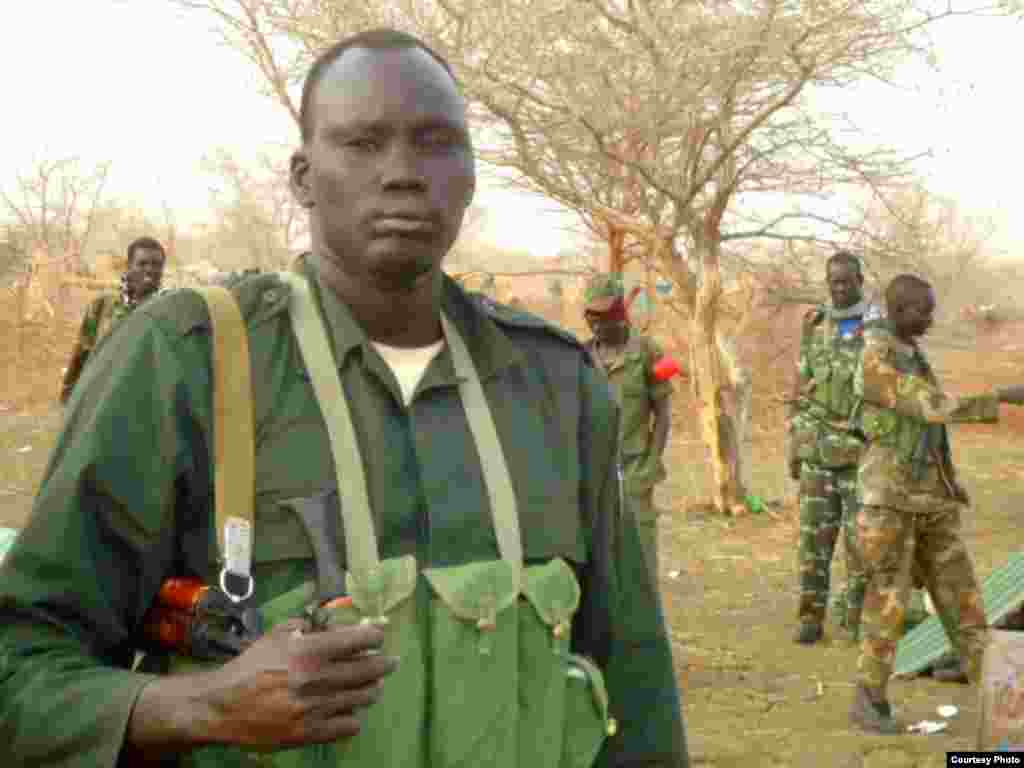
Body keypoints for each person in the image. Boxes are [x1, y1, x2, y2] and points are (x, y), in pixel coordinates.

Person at [0, 29, 688, 767]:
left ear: (469, 174)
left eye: (435, 143)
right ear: (302, 177)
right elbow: (22, 668)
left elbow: (634, 690)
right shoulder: (187, 359)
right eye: (363, 143)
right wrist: (200, 706)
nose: (403, 174)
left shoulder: (556, 385)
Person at [848, 273, 1024, 733]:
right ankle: (869, 701)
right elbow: (927, 406)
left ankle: (1007, 703)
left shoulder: (910, 353)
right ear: (898, 310)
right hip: (890, 502)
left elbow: (928, 435)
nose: (929, 318)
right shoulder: (874, 357)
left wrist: (950, 485)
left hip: (931, 500)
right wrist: (999, 398)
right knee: (888, 601)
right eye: (922, 310)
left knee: (964, 600)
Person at [786, 251, 876, 645]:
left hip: (858, 456)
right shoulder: (815, 325)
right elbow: (801, 385)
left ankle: (855, 619)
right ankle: (810, 619)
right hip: (816, 453)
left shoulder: (875, 329)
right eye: (833, 282)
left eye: (846, 281)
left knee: (861, 546)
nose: (839, 289)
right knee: (812, 544)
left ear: (859, 280)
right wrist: (793, 443)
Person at [582, 274, 673, 584]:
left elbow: (662, 414)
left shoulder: (649, 352)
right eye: (591, 315)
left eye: (604, 314)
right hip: (592, 475)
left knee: (642, 566)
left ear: (620, 310)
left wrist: (650, 464)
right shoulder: (581, 356)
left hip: (634, 468)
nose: (596, 323)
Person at [59, 236, 166, 403]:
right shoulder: (102, 306)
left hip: (144, 404)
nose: (150, 270)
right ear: (129, 267)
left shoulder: (165, 310)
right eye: (142, 263)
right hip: (101, 402)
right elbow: (81, 356)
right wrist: (69, 398)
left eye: (156, 265)